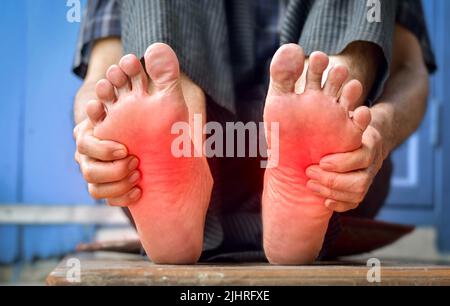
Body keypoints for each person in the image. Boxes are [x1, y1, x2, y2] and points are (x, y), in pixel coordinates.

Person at [73, 0, 436, 264]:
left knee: (329, 109)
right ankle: (179, 126)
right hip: (208, 162)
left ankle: (325, 98)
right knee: (154, 92)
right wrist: (92, 137)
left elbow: (407, 69)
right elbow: (100, 80)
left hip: (342, 181)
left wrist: (378, 131)